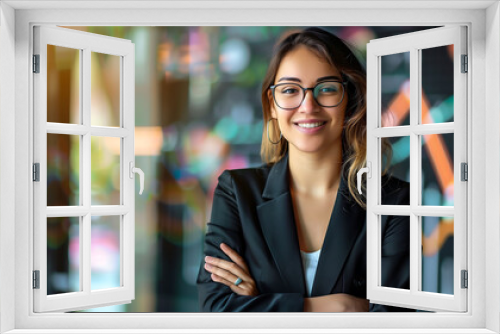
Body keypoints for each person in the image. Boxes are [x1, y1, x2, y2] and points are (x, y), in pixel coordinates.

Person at [196, 27, 410, 312]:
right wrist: (342, 306)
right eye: (289, 90)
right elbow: (218, 306)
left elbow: (391, 321)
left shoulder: (393, 201)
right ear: (272, 105)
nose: (308, 106)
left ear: (351, 101)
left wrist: (259, 303)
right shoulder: (236, 192)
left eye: (327, 89)